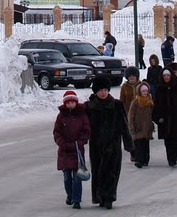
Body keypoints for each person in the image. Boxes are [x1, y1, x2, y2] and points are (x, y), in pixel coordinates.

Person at [86, 77, 132, 210]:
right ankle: (100, 196)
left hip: (113, 144)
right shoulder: (89, 106)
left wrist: (128, 143)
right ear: (95, 91)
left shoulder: (117, 105)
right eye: (100, 90)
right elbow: (82, 124)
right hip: (96, 145)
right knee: (98, 171)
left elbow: (124, 125)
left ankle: (109, 197)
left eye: (105, 90)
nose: (103, 93)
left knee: (111, 171)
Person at [53, 89, 90, 210]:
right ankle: (70, 194)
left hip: (77, 151)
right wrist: (62, 143)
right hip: (64, 151)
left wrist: (80, 142)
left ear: (76, 102)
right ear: (65, 104)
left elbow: (86, 131)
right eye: (68, 103)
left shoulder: (82, 115)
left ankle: (76, 200)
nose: (70, 105)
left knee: (77, 177)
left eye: (72, 102)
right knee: (67, 177)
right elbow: (57, 132)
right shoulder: (61, 116)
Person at [127, 81, 155, 167]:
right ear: (139, 92)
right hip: (137, 127)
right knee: (138, 145)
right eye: (143, 91)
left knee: (145, 144)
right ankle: (139, 160)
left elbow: (153, 114)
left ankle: (145, 160)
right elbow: (131, 115)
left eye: (146, 91)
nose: (145, 93)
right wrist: (131, 126)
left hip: (147, 127)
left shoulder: (150, 102)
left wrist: (152, 124)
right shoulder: (135, 102)